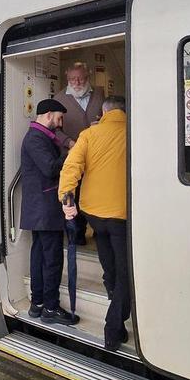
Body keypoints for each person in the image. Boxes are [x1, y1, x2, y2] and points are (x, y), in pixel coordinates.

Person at [59, 96, 128, 351]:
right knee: (125, 272)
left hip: (94, 215)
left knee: (109, 262)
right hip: (122, 215)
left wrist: (67, 199)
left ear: (104, 111)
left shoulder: (89, 134)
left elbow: (71, 167)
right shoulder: (134, 132)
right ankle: (113, 326)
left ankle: (114, 299)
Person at [19, 99, 80, 326]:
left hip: (40, 209)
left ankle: (38, 305)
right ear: (47, 115)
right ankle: (50, 308)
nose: (60, 122)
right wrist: (72, 152)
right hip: (45, 208)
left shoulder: (39, 137)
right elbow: (50, 168)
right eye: (59, 117)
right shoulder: (36, 138)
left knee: (39, 256)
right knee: (51, 259)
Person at [54, 62, 105, 246]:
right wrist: (70, 142)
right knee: (73, 194)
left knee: (98, 194)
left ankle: (101, 232)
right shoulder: (59, 98)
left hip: (98, 156)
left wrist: (102, 124)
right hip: (73, 156)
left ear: (88, 75)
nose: (76, 82)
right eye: (72, 79)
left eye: (80, 78)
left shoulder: (99, 93)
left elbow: (108, 117)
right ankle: (77, 236)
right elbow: (54, 130)